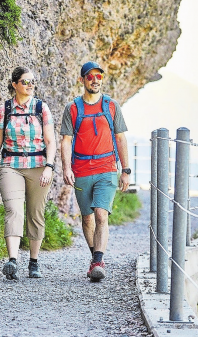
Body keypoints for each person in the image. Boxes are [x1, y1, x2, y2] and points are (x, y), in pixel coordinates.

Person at [60, 61, 130, 282]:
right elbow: (65, 141)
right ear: (82, 80)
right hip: (81, 170)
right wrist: (66, 168)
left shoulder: (111, 106)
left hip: (107, 168)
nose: (95, 80)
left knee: (101, 214)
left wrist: (125, 170)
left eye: (98, 76)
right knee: (87, 218)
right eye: (90, 77)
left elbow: (120, 138)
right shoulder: (72, 108)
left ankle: (98, 262)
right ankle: (95, 260)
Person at [0, 66, 57, 280]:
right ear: (15, 84)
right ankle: (13, 261)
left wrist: (49, 166)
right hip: (11, 165)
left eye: (32, 81)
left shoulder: (41, 108)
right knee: (14, 210)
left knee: (35, 213)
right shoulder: (4, 109)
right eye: (25, 81)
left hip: (38, 166)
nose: (30, 85)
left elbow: (50, 141)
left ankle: (33, 262)